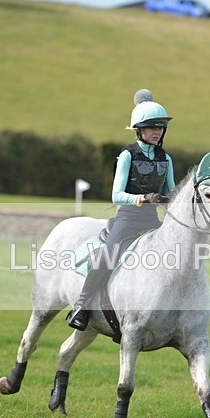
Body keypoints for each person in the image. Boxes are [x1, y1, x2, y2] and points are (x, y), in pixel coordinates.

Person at [66, 89, 177, 331]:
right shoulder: (127, 155)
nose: (156, 132)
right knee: (107, 255)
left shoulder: (165, 159)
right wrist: (144, 197)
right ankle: (81, 306)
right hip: (128, 219)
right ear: (138, 129)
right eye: (151, 127)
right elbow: (116, 195)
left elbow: (172, 193)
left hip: (152, 222)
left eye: (159, 127)